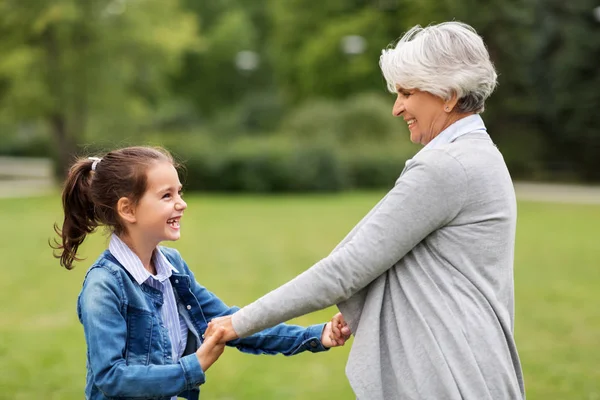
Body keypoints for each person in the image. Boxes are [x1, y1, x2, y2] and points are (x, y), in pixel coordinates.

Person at [212, 21, 525, 400]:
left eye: (407, 92)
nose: (397, 108)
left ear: (449, 96)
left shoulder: (446, 166)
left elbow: (345, 269)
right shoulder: (482, 154)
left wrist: (239, 323)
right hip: (476, 367)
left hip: (451, 373)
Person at [51, 146, 347, 400]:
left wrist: (315, 335)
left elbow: (230, 323)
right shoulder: (104, 285)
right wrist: (195, 365)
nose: (181, 203)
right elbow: (111, 377)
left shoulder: (173, 267)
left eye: (179, 192)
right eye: (166, 196)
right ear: (128, 210)